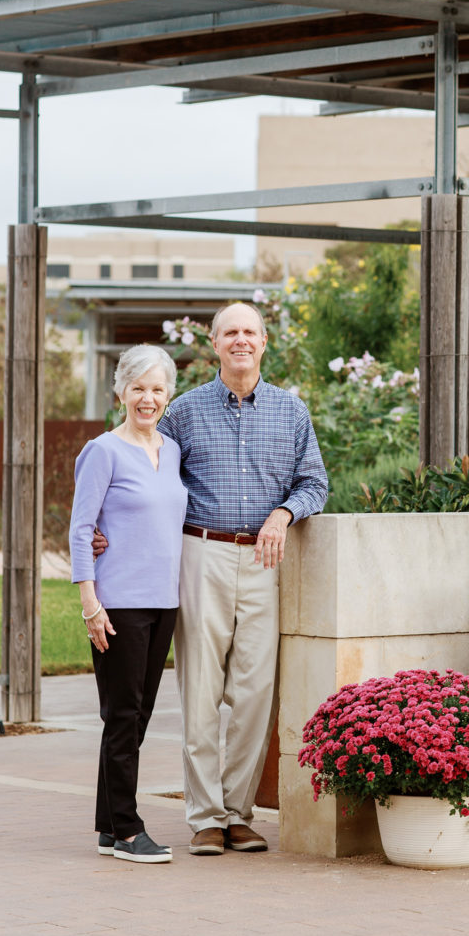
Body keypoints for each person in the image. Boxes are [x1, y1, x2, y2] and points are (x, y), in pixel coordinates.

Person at [158, 301, 327, 856]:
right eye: (230, 332)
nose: (240, 340)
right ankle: (204, 815)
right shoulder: (181, 413)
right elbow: (145, 471)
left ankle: (238, 812)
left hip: (264, 560)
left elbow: (315, 484)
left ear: (264, 341)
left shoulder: (291, 412)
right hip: (200, 553)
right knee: (201, 688)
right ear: (214, 343)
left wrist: (283, 514)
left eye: (250, 331)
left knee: (256, 692)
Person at [69, 344, 187, 865]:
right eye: (138, 387)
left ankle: (107, 822)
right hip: (117, 603)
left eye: (157, 388)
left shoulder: (172, 450)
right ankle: (128, 829)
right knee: (122, 716)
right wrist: (90, 603)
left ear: (168, 395)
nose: (148, 397)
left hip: (164, 601)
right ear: (120, 392)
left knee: (135, 716)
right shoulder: (103, 450)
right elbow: (79, 530)